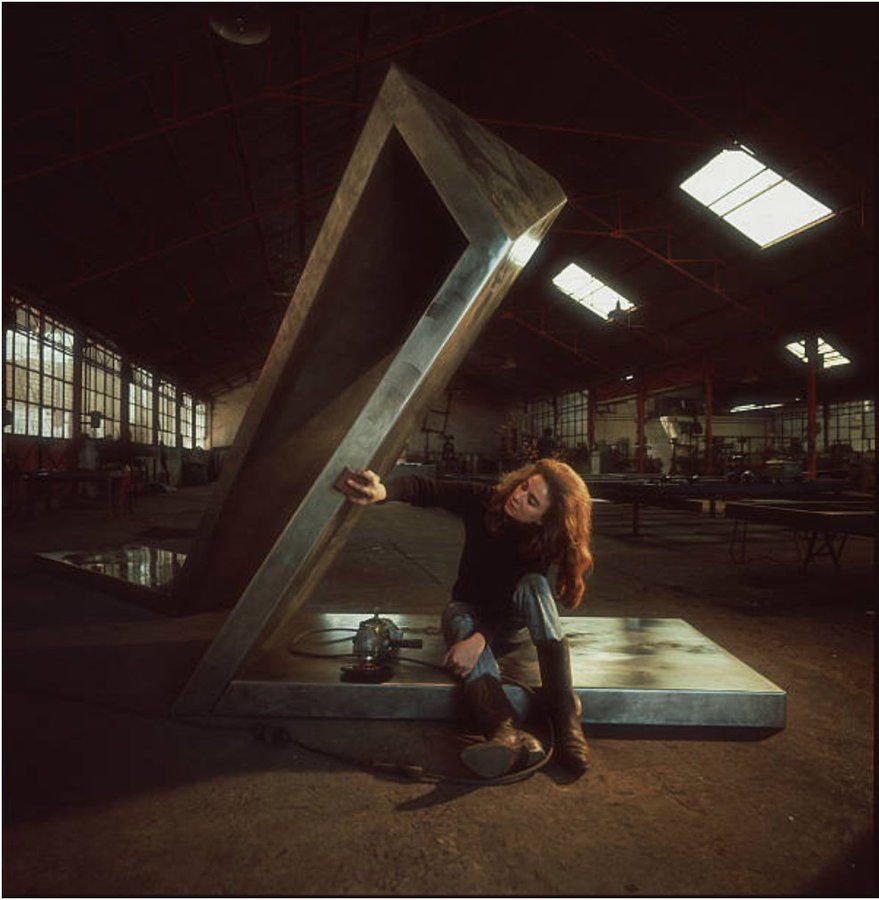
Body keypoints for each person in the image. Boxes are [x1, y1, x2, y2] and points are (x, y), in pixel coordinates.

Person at [346, 459, 594, 779]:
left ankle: (565, 717)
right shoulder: (485, 500)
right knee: (460, 618)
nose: (518, 497)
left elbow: (505, 602)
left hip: (506, 620)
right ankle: (504, 733)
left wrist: (479, 640)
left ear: (545, 520)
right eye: (523, 486)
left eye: (532, 501)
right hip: (466, 609)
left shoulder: (542, 542)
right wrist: (383, 491)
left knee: (535, 584)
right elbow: (425, 488)